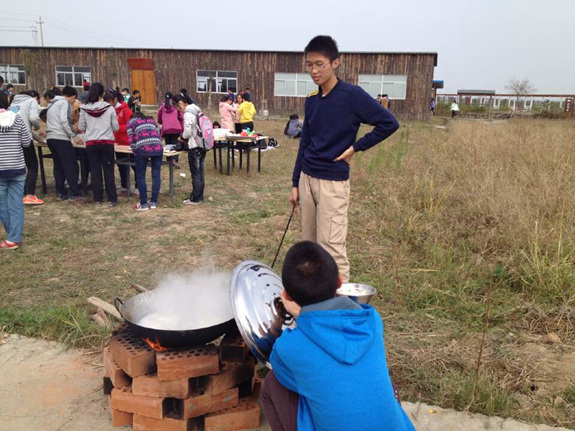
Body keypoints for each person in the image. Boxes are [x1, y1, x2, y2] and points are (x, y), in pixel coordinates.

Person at [261, 241, 415, 431]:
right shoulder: (372, 321)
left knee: (271, 383)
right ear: (340, 282)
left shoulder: (291, 347)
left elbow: (277, 363)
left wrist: (299, 316)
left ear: (287, 297)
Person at [289, 35, 399, 283]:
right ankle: (313, 298)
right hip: (307, 178)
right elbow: (304, 143)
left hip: (333, 183)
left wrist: (356, 148)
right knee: (309, 245)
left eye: (320, 64)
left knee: (332, 247)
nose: (314, 70)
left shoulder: (352, 95)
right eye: (309, 65)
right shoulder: (312, 101)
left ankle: (339, 308)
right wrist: (296, 183)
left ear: (336, 63)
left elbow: (389, 123)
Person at [78, 82, 119, 207]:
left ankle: (98, 199)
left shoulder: (84, 108)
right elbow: (116, 128)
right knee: (108, 171)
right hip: (106, 143)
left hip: (91, 143)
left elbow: (81, 127)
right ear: (103, 94)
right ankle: (112, 199)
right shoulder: (110, 108)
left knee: (95, 171)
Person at [0, 91, 31, 250]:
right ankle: (14, 237)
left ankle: (12, 236)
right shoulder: (17, 118)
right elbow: (26, 142)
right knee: (16, 204)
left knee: (2, 205)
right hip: (17, 167)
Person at [45, 86, 84, 202]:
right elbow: (64, 121)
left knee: (59, 166)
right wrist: (74, 136)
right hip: (60, 138)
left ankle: (60, 192)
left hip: (51, 137)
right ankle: (75, 193)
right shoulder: (64, 103)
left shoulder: (52, 104)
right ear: (73, 96)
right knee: (71, 165)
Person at [9, 90, 44, 205]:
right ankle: (29, 195)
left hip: (13, 139)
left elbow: (21, 125)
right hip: (25, 139)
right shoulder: (31, 101)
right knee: (33, 165)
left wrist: (37, 137)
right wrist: (38, 126)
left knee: (20, 166)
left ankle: (20, 193)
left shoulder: (13, 105)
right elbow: (33, 119)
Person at [127, 112, 164, 211]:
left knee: (140, 176)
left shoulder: (130, 123)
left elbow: (131, 141)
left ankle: (143, 203)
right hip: (158, 147)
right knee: (156, 175)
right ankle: (153, 202)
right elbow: (159, 136)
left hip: (142, 149)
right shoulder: (151, 121)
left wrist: (136, 153)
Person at [173, 95, 205, 206]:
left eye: (178, 108)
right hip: (202, 144)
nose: (179, 111)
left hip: (194, 145)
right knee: (200, 173)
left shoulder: (188, 113)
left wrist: (181, 138)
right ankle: (200, 196)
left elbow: (188, 131)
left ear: (181, 103)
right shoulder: (196, 108)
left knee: (195, 174)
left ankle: (195, 199)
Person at [106, 90, 134, 193]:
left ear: (115, 100)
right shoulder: (109, 110)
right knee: (121, 165)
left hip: (127, 142)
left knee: (134, 165)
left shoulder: (126, 110)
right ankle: (124, 186)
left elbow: (130, 125)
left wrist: (116, 128)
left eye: (109, 101)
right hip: (116, 142)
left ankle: (137, 186)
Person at [157, 92, 183, 167]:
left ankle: (169, 161)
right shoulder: (176, 105)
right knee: (175, 144)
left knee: (168, 144)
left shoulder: (162, 106)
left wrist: (162, 122)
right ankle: (175, 160)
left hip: (166, 129)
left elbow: (159, 117)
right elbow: (181, 116)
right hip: (176, 128)